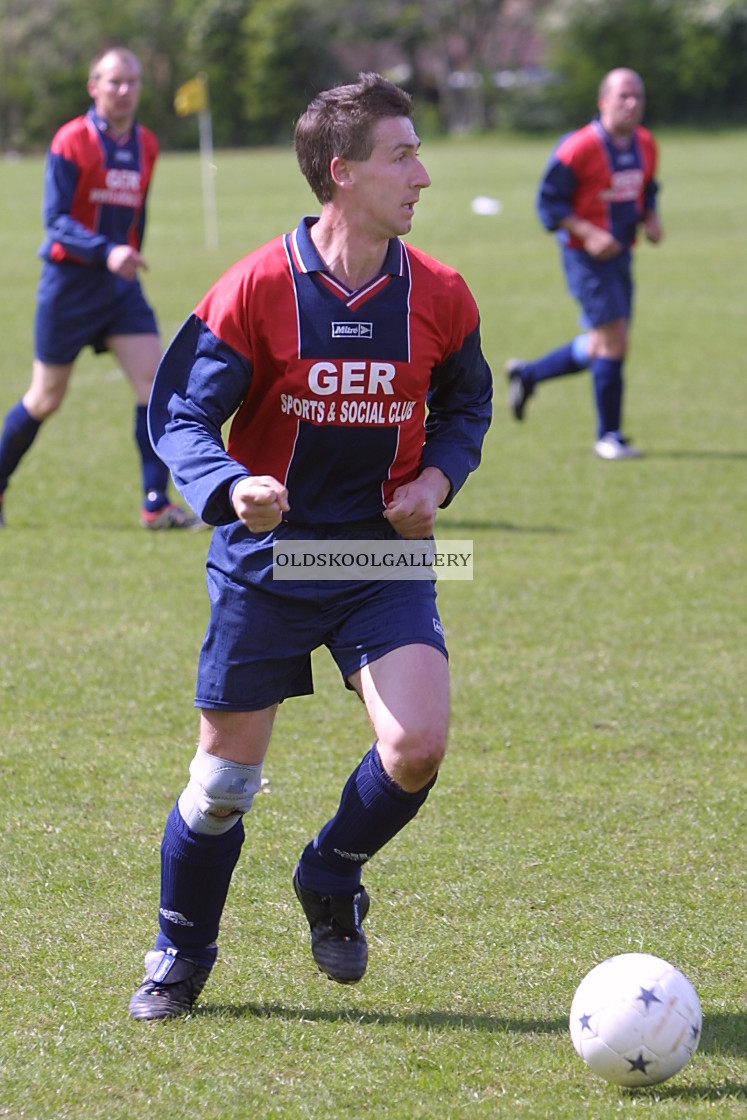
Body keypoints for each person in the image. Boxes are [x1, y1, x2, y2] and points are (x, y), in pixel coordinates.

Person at [128, 71, 493, 1019]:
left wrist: (437, 480)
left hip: (378, 558)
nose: (422, 174)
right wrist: (227, 485)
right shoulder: (256, 288)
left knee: (415, 745)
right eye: (401, 155)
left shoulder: (441, 294)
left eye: (417, 151)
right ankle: (181, 952)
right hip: (270, 562)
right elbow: (181, 415)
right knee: (221, 787)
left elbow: (466, 404)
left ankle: (329, 872)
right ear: (342, 174)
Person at [0, 46, 201, 528]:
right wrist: (105, 249)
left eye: (132, 81)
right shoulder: (71, 140)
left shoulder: (146, 144)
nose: (125, 90)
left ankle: (156, 503)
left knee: (154, 387)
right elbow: (55, 220)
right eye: (114, 81)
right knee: (46, 397)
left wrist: (127, 255)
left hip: (119, 288)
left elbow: (138, 215)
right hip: (69, 285)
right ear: (94, 87)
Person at [505, 68, 662, 460]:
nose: (632, 103)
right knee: (614, 339)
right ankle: (608, 436)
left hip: (622, 255)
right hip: (585, 259)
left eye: (637, 96)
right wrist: (588, 233)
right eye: (623, 96)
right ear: (603, 101)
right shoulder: (578, 147)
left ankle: (529, 374)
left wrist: (651, 216)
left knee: (600, 343)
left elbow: (647, 186)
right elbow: (549, 203)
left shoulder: (645, 143)